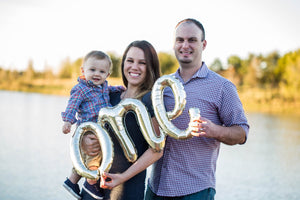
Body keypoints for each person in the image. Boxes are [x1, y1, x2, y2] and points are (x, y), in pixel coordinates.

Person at [144, 18, 250, 199]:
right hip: (155, 189)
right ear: (174, 44)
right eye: (180, 40)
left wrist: (214, 130)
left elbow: (242, 133)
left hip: (195, 191)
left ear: (204, 44)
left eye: (192, 40)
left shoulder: (222, 87)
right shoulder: (162, 86)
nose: (185, 45)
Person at [80, 40, 163, 200]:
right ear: (123, 63)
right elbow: (87, 125)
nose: (134, 67)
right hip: (93, 188)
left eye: (142, 63)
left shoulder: (149, 100)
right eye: (130, 60)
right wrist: (84, 141)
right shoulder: (110, 96)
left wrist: (123, 177)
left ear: (150, 67)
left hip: (125, 190)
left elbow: (157, 151)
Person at [61, 50, 124, 200]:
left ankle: (72, 181)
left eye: (102, 71)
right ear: (83, 71)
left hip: (99, 129)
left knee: (86, 158)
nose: (97, 74)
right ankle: (92, 185)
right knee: (94, 159)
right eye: (92, 70)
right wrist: (68, 121)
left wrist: (119, 89)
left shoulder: (102, 87)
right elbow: (72, 106)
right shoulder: (81, 89)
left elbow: (108, 90)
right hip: (89, 130)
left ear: (107, 75)